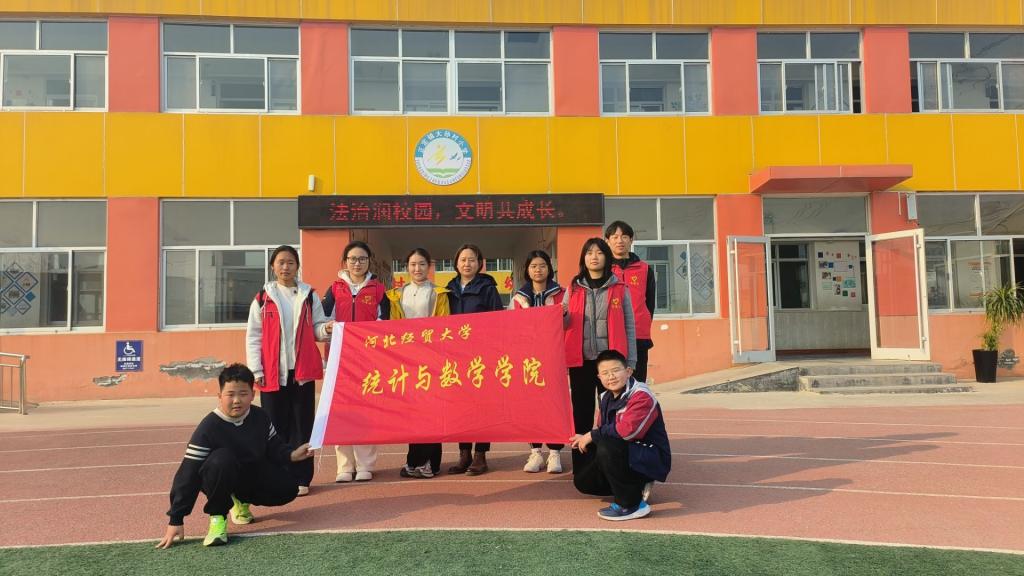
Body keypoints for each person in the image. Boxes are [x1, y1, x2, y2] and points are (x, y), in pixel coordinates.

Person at [157, 363, 314, 548]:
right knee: (222, 459)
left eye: (243, 394)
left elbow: (274, 446)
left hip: (247, 475)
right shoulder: (209, 427)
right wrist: (176, 519)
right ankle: (218, 518)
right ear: (219, 396)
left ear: (253, 395)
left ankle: (240, 500)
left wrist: (292, 455)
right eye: (230, 394)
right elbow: (188, 473)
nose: (237, 400)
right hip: (218, 476)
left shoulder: (260, 417)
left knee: (288, 487)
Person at [245, 245, 330, 497]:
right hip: (272, 372)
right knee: (275, 427)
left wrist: (326, 329)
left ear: (297, 266)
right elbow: (253, 336)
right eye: (281, 262)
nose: (285, 267)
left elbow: (317, 328)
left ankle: (302, 478)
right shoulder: (263, 298)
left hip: (301, 373)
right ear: (273, 266)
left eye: (290, 262)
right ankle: (279, 476)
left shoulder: (308, 295)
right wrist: (255, 369)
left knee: (302, 427)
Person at [562, 238, 636, 471]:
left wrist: (630, 361)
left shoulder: (619, 288)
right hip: (581, 361)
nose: (594, 257)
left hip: (610, 363)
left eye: (599, 252)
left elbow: (630, 326)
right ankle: (582, 466)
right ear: (583, 258)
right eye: (589, 253)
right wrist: (561, 314)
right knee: (582, 413)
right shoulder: (573, 288)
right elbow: (563, 324)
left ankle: (612, 462)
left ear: (607, 257)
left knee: (612, 414)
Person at [570, 349, 671, 521]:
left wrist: (593, 435)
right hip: (629, 453)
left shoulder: (641, 395)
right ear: (599, 377)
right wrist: (587, 437)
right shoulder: (605, 397)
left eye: (616, 370)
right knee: (583, 481)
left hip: (651, 456)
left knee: (605, 444)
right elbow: (603, 430)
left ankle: (632, 505)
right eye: (605, 373)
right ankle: (635, 486)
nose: (611, 377)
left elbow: (629, 431)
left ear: (628, 371)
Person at [322, 240, 390, 483]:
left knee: (365, 412)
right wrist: (329, 327)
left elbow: (385, 324)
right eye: (352, 259)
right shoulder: (334, 289)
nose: (357, 263)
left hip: (367, 360)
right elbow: (322, 321)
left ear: (369, 261)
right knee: (340, 411)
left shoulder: (378, 290)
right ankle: (344, 465)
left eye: (362, 259)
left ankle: (365, 464)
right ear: (345, 262)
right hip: (339, 359)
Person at [387, 247, 450, 479]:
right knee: (413, 413)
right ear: (406, 267)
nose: (417, 268)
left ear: (429, 266)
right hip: (406, 360)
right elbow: (392, 327)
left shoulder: (439, 293)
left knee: (432, 411)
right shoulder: (396, 294)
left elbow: (445, 326)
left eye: (422, 264)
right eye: (413, 264)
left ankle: (428, 463)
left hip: (432, 358)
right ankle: (414, 461)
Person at [446, 243, 503, 475]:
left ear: (480, 263)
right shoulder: (448, 289)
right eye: (463, 259)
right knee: (461, 407)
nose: (467, 264)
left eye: (471, 259)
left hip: (481, 357)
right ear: (456, 263)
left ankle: (480, 455)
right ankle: (464, 454)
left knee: (482, 407)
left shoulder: (488, 288)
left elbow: (498, 321)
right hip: (456, 357)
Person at [510, 250, 566, 474]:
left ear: (549, 268)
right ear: (527, 270)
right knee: (531, 406)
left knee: (554, 404)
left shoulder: (561, 294)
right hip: (528, 360)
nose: (538, 270)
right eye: (533, 266)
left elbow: (570, 324)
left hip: (554, 357)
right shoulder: (518, 298)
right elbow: (512, 330)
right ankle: (535, 452)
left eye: (542, 265)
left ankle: (555, 452)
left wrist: (564, 315)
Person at [606, 221, 657, 384]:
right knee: (612, 381)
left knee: (637, 382)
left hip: (638, 334)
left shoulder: (644, 269)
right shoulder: (603, 269)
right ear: (607, 241)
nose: (619, 241)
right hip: (610, 334)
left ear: (631, 240)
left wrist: (644, 322)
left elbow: (650, 302)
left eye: (624, 237)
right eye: (615, 237)